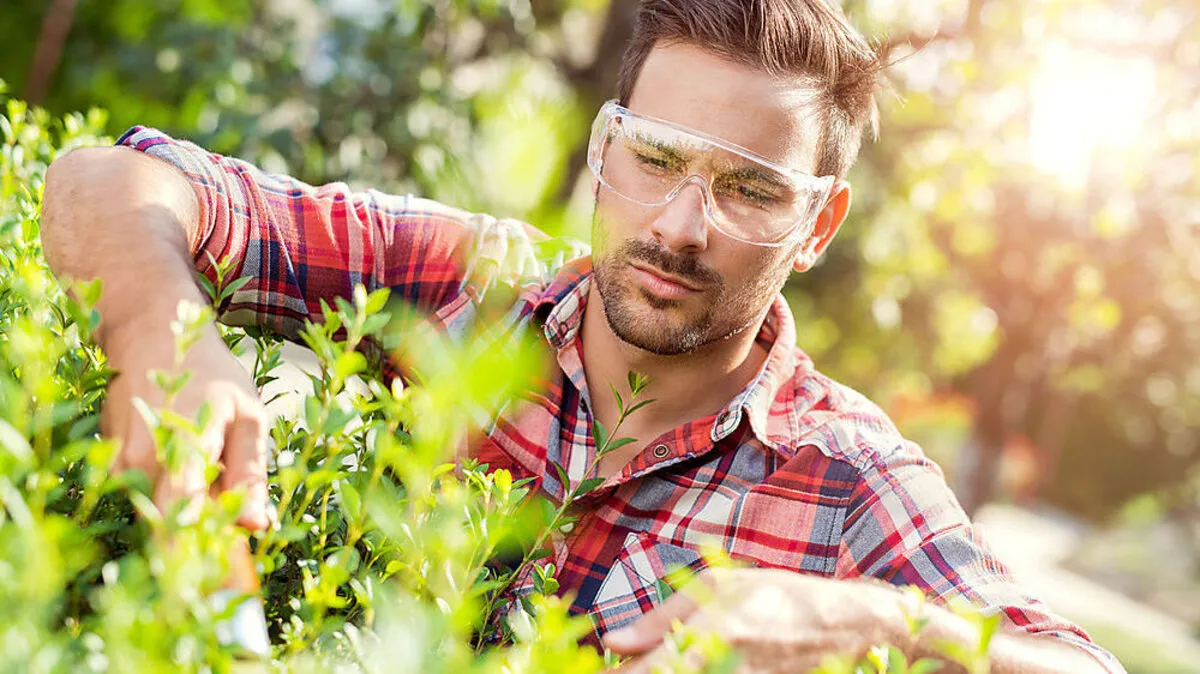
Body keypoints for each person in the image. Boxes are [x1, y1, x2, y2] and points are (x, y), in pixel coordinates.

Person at [39, 0, 1124, 671]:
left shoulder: (849, 479)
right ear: (606, 147)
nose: (679, 224)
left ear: (816, 225)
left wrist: (871, 620)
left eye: (749, 187)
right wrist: (163, 331)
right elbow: (111, 179)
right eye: (655, 157)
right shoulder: (462, 285)